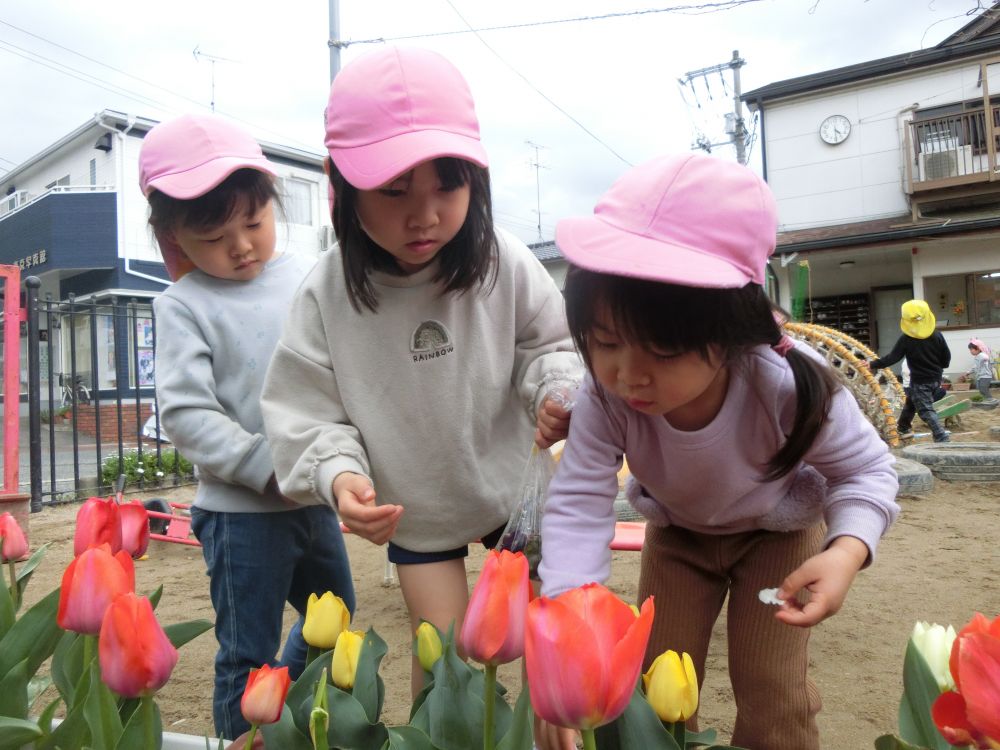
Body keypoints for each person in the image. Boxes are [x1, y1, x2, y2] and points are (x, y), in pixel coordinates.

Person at [535, 154, 900, 750]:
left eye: (662, 351)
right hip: (678, 539)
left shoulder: (785, 385)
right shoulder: (604, 397)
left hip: (776, 539)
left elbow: (865, 469)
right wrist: (566, 644)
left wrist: (847, 551)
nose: (628, 377)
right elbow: (577, 503)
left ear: (730, 331)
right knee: (658, 686)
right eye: (604, 343)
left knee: (772, 689)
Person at [260, 46, 580, 699]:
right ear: (339, 183)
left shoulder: (503, 262)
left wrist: (555, 390)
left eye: (448, 184)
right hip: (417, 505)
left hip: (512, 490)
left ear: (476, 181)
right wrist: (341, 476)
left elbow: (549, 344)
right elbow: (307, 410)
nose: (425, 214)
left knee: (561, 633)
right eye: (395, 189)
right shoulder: (327, 293)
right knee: (444, 666)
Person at [140, 114, 356, 741]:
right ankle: (250, 731)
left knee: (336, 620)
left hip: (310, 499)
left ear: (272, 203)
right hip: (240, 516)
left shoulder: (306, 275)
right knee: (246, 651)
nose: (240, 247)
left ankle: (284, 717)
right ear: (174, 236)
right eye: (213, 238)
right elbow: (185, 413)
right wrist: (266, 467)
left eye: (254, 224)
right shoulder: (184, 305)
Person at [861, 299, 952, 442]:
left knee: (925, 410)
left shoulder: (907, 339)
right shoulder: (937, 335)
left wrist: (872, 364)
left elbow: (892, 358)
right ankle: (903, 426)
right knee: (911, 403)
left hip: (920, 382)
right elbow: (946, 358)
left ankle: (941, 436)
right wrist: (939, 367)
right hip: (936, 379)